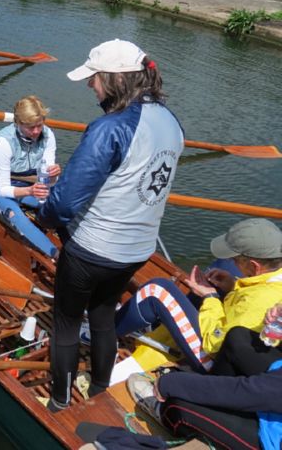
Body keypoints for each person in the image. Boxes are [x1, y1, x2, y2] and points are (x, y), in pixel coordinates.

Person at [37, 39, 184, 411]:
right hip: (136, 252)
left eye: (95, 78)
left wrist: (44, 218)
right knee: (103, 315)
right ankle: (100, 390)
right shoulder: (171, 121)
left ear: (117, 79)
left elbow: (65, 201)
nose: (91, 86)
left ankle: (58, 403)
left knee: (67, 323)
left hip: (91, 250)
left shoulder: (109, 128)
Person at [116, 218, 282, 373]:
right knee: (214, 275)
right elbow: (250, 299)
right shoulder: (272, 283)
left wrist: (211, 298)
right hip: (227, 339)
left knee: (158, 290)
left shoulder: (260, 300)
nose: (233, 262)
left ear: (254, 266)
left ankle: (102, 333)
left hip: (215, 361)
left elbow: (215, 345)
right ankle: (162, 326)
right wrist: (232, 286)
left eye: (236, 260)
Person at [127, 309, 282, 450]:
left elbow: (252, 392)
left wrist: (170, 383)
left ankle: (165, 412)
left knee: (178, 404)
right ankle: (212, 401)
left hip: (271, 438)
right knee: (239, 337)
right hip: (272, 391)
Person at [0, 95, 61, 258]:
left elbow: (48, 180)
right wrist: (29, 191)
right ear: (18, 123)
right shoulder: (3, 142)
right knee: (15, 215)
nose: (37, 131)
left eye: (39, 125)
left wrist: (54, 176)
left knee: (61, 201)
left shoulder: (47, 135)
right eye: (31, 127)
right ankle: (57, 255)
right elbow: (3, 190)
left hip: (30, 185)